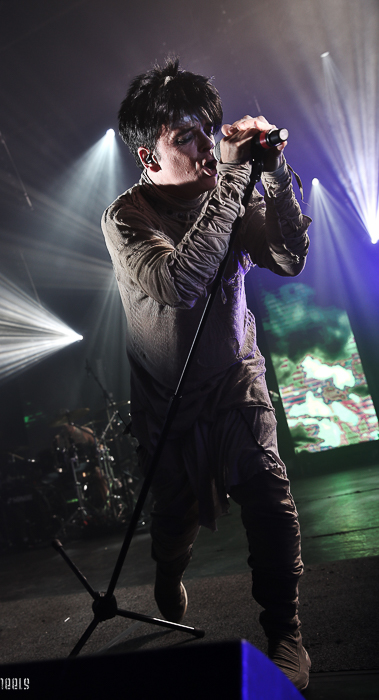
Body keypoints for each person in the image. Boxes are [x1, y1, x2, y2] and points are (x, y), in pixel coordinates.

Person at [101, 58, 311, 691]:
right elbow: (179, 283)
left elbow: (289, 256)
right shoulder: (127, 217)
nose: (204, 146)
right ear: (148, 156)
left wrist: (272, 176)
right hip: (167, 402)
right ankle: (170, 565)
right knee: (175, 515)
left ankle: (286, 634)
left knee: (270, 499)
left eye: (207, 131)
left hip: (235, 379)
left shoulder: (230, 190)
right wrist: (233, 183)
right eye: (183, 137)